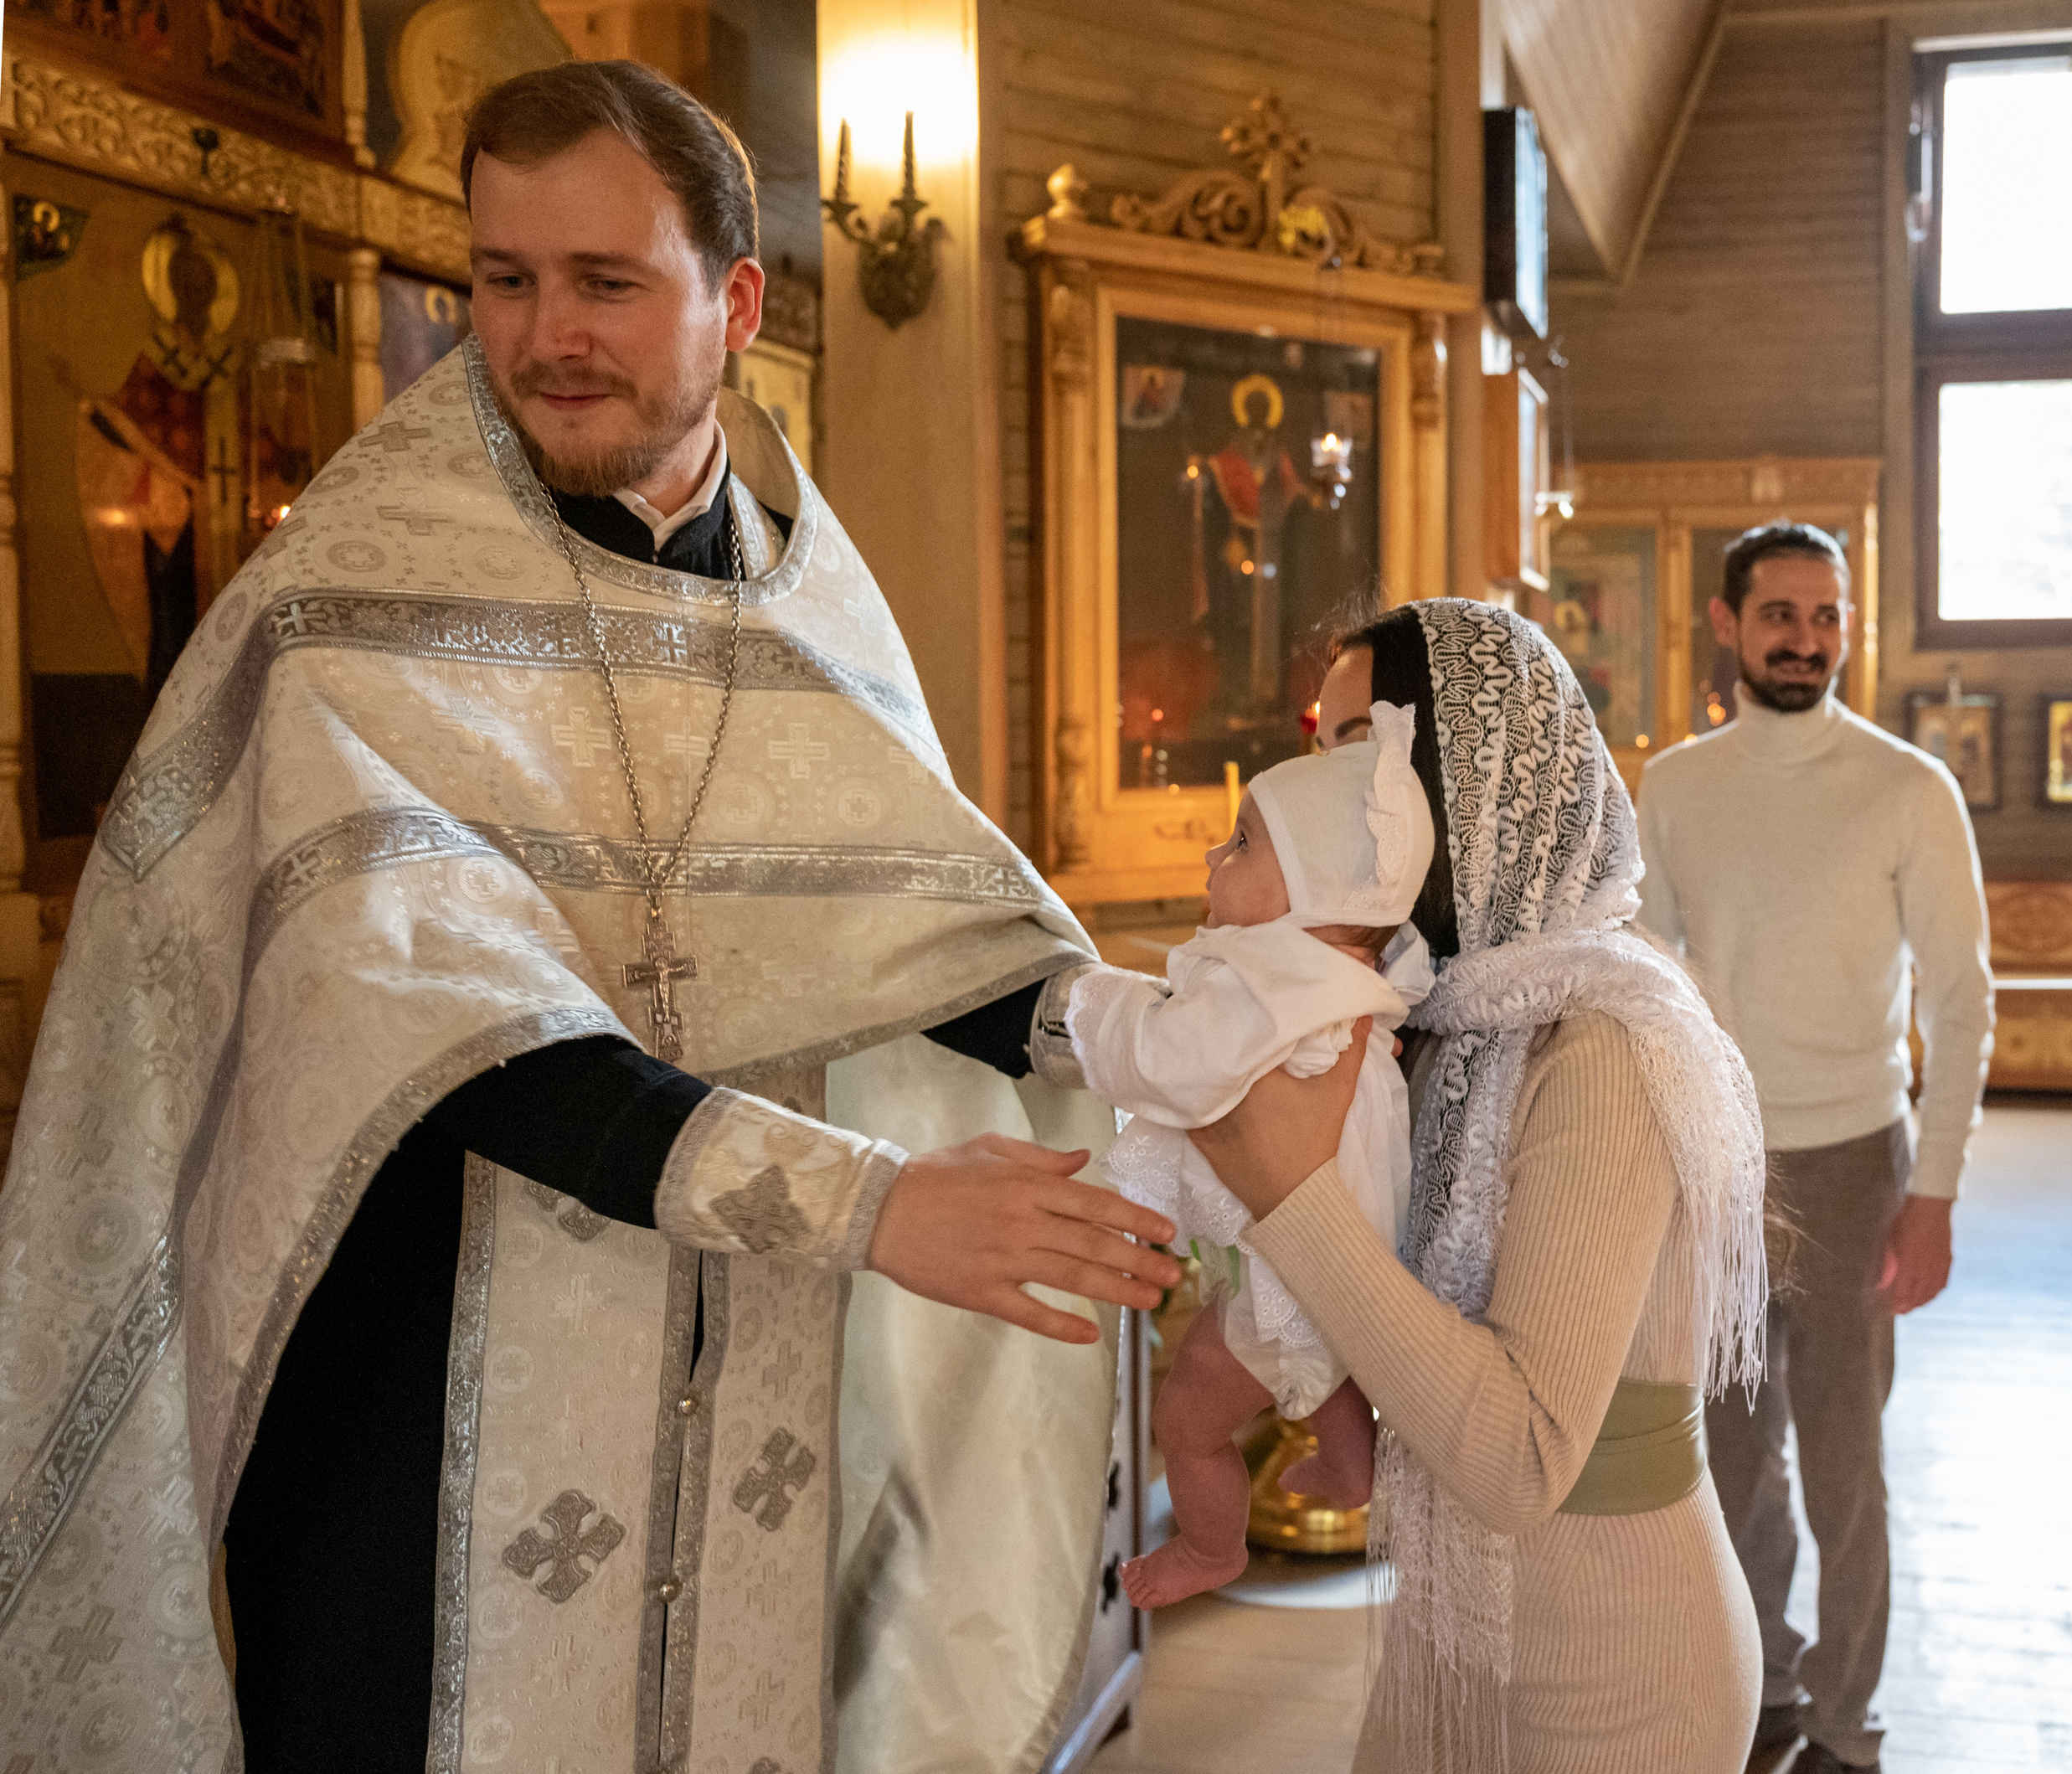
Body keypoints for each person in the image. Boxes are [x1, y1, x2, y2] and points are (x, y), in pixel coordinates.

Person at [0, 60, 1181, 1774]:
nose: (546, 333)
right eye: (501, 279)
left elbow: (898, 917)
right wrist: (868, 1207)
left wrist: (1136, 1032)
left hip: (743, 1394)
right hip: (417, 1421)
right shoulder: (359, 600)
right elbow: (441, 1019)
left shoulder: (803, 602)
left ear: (738, 305)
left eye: (605, 284)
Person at [1176, 598, 1770, 1771]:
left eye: (1359, 754)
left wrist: (1290, 1193)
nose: (1326, 792)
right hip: (1456, 1629)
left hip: (1619, 1666)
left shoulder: (1600, 1041)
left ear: (1472, 777)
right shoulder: (1443, 1007)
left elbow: (1519, 1456)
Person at [1636, 521, 1994, 1774]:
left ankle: (1847, 1725)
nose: (1807, 637)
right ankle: (1765, 1684)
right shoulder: (1674, 786)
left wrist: (1934, 1188)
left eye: (1827, 615)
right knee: (1731, 1464)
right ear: (1728, 625)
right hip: (1722, 1165)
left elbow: (1962, 997)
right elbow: (1647, 986)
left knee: (1848, 1472)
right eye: (1782, 613)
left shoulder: (1907, 786)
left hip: (1859, 1162)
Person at [1068, 701, 1437, 1607]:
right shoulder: (1334, 973)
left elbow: (1173, 1066)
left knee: (1187, 1418)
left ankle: (1208, 1547)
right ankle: (1352, 1468)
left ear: (1311, 894)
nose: (1211, 858)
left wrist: (1094, 1007)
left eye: (1238, 846)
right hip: (1336, 1248)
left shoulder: (1278, 983)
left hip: (1300, 1251)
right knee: (1323, 1349)